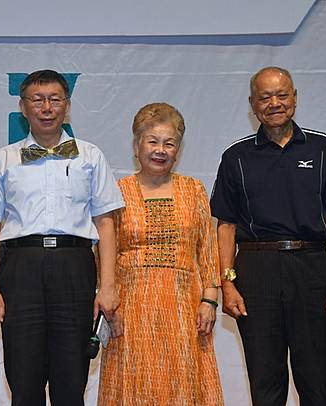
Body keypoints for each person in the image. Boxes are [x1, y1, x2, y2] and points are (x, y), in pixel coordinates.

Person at [210, 66, 326, 406]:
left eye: (282, 95)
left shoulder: (323, 149)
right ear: (253, 104)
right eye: (265, 97)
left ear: (295, 97)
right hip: (255, 272)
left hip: (312, 269)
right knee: (266, 383)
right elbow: (226, 225)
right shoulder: (236, 157)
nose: (274, 103)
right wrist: (227, 284)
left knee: (316, 382)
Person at [0, 69, 124, 406]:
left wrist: (108, 286)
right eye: (38, 100)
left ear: (67, 106)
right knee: (23, 378)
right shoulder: (3, 159)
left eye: (55, 100)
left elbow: (105, 224)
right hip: (20, 269)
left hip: (74, 267)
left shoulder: (90, 156)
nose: (46, 108)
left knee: (71, 378)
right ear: (23, 107)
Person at [98, 102, 224, 405]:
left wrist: (209, 300)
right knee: (134, 385)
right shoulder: (117, 192)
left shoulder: (193, 190)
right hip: (130, 309)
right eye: (152, 141)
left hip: (185, 308)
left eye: (169, 143)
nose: (160, 150)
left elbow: (207, 249)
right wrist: (108, 301)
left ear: (178, 149)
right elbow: (104, 253)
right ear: (136, 145)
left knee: (182, 384)